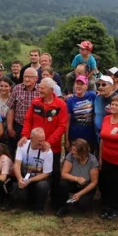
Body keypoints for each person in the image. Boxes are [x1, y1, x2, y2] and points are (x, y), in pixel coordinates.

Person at [21, 77, 69, 205]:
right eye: (39, 87)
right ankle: (32, 199)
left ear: (51, 90)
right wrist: (25, 135)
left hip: (53, 147)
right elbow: (28, 119)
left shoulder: (61, 104)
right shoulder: (36, 102)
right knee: (33, 171)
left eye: (42, 88)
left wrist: (49, 142)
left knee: (54, 174)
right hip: (34, 146)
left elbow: (62, 126)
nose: (39, 89)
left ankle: (55, 202)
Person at [12, 128, 53, 214]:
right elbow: (17, 165)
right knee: (16, 185)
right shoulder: (22, 145)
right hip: (24, 176)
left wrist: (30, 180)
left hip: (38, 179)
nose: (41, 143)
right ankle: (24, 205)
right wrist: (20, 179)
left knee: (43, 185)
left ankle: (39, 208)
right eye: (39, 141)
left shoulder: (47, 151)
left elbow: (46, 173)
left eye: (43, 140)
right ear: (31, 138)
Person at [56, 139, 99, 217]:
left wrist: (80, 194)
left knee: (83, 205)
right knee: (63, 184)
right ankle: (63, 206)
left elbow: (94, 182)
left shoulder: (93, 161)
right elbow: (64, 174)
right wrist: (77, 179)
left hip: (86, 186)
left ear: (82, 153)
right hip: (73, 183)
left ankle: (77, 201)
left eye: (74, 151)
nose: (72, 152)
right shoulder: (71, 156)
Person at [8, 68, 38, 153]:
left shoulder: (40, 90)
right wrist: (10, 127)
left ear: (36, 78)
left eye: (29, 77)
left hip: (35, 127)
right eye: (25, 76)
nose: (26, 79)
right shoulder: (17, 88)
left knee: (32, 151)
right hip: (19, 126)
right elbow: (11, 108)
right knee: (17, 150)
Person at [66, 75, 97, 150]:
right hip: (74, 136)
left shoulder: (92, 95)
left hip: (89, 136)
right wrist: (66, 139)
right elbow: (67, 121)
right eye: (77, 84)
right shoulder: (70, 100)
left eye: (81, 84)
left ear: (86, 86)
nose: (79, 86)